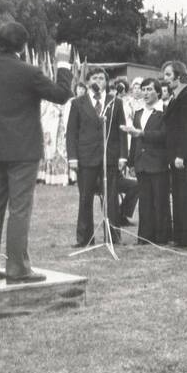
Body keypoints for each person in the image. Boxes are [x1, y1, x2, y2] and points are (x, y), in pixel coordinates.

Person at [0, 24, 73, 283]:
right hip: (22, 149)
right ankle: (18, 269)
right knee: (20, 209)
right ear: (23, 46)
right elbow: (61, 95)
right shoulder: (29, 72)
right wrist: (63, 65)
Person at [66, 66, 128, 247]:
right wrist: (72, 157)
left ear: (106, 82)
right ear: (87, 82)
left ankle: (113, 236)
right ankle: (85, 238)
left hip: (110, 157)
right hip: (86, 157)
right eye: (94, 78)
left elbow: (121, 131)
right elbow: (71, 133)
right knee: (85, 198)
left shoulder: (115, 102)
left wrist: (123, 156)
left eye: (101, 78)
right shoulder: (78, 103)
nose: (98, 82)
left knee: (111, 198)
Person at [121, 78, 172, 245]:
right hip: (141, 163)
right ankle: (144, 237)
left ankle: (162, 237)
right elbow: (135, 141)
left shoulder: (164, 112)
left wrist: (142, 133)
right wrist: (131, 162)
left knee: (160, 201)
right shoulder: (138, 113)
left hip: (158, 162)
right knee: (145, 202)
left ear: (158, 92)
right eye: (143, 89)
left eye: (149, 89)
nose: (145, 93)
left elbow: (165, 135)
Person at [161, 60, 187, 249]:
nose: (165, 79)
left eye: (169, 75)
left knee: (186, 197)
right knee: (178, 196)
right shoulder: (176, 96)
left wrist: (180, 155)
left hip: (184, 157)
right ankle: (180, 237)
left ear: (179, 76)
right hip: (177, 155)